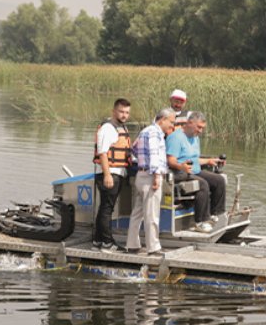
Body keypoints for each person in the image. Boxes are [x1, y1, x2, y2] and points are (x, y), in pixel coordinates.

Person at [126, 108, 176, 255]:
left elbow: (134, 149)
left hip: (141, 175)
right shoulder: (155, 133)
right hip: (150, 176)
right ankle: (153, 248)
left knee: (138, 213)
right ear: (163, 120)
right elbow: (154, 155)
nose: (172, 126)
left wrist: (142, 161)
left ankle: (132, 244)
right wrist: (156, 175)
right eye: (171, 122)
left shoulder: (145, 131)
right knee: (152, 214)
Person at [165, 111, 226, 233]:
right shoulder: (176, 137)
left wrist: (209, 161)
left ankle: (215, 214)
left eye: (202, 128)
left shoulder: (195, 138)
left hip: (195, 170)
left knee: (219, 180)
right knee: (202, 184)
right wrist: (181, 167)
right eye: (199, 127)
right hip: (180, 172)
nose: (201, 131)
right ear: (190, 123)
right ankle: (200, 221)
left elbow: (194, 158)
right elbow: (170, 160)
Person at [92, 98, 132, 252]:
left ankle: (97, 240)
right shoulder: (108, 128)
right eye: (121, 111)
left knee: (105, 208)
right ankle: (107, 243)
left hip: (118, 172)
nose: (124, 115)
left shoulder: (121, 128)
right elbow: (102, 153)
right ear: (114, 111)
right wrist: (107, 175)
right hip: (110, 174)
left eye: (127, 112)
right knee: (107, 209)